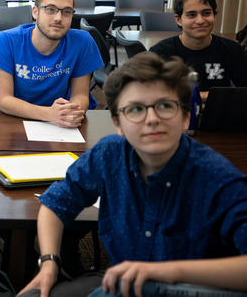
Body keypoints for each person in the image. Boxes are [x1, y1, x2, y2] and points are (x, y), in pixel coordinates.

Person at [18, 53, 247, 297]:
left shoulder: (217, 177)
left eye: (165, 106)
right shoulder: (110, 154)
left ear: (185, 118)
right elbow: (55, 205)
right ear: (118, 123)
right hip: (126, 284)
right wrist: (50, 262)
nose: (152, 119)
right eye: (136, 109)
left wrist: (166, 272)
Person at [0, 0, 103, 128]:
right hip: (11, 120)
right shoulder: (5, 42)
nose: (58, 18)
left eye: (66, 11)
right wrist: (49, 114)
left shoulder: (82, 42)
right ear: (35, 12)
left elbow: (81, 95)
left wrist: (72, 112)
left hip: (58, 124)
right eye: (50, 9)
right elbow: (5, 100)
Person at [150, 0, 247, 98]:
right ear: (178, 20)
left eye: (206, 13)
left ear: (214, 15)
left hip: (219, 113)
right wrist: (207, 97)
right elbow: (152, 96)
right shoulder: (159, 53)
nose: (200, 20)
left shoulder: (232, 50)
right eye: (191, 15)